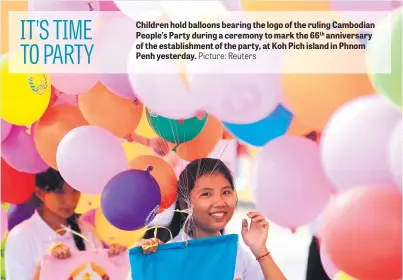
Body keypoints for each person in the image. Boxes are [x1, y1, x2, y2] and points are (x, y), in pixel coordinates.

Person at [137, 158, 287, 280]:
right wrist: (146, 264)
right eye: (206, 194)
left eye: (226, 192)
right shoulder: (166, 255)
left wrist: (260, 250)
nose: (220, 202)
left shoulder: (237, 254)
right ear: (184, 203)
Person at [5, 168, 127, 280]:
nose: (69, 200)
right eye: (59, 191)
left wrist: (116, 258)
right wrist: (44, 265)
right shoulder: (21, 237)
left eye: (75, 190)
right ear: (40, 193)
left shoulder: (88, 232)